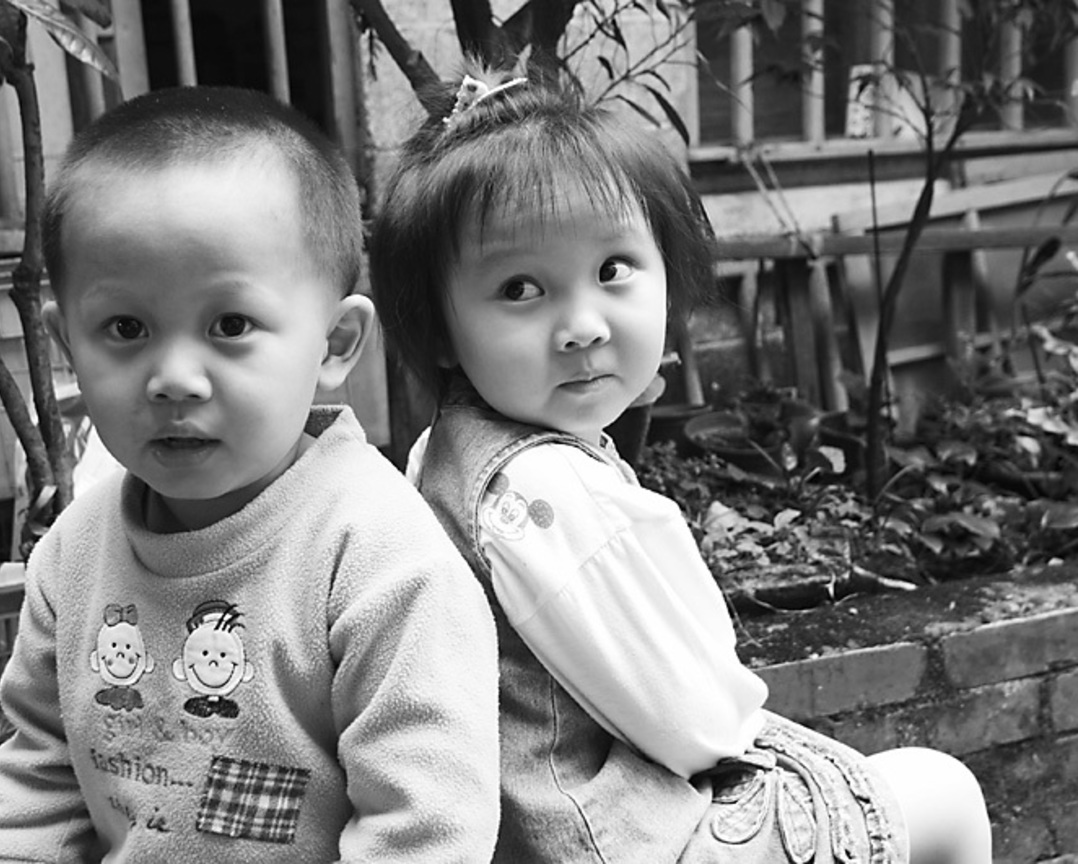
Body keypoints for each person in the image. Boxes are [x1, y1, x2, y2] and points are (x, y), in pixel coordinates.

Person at [369, 64, 993, 864]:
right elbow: (701, 722)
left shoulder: (448, 449)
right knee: (942, 793)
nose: (584, 325)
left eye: (612, 270)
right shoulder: (541, 494)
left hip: (531, 824)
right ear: (440, 329)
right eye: (521, 288)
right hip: (617, 838)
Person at [0, 85, 501, 863]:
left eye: (231, 324)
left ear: (336, 343)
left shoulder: (380, 561)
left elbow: (426, 829)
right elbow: (38, 786)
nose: (175, 378)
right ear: (67, 345)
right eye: (125, 328)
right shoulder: (72, 558)